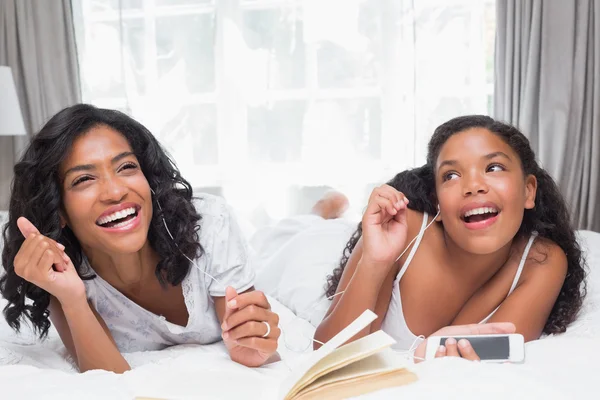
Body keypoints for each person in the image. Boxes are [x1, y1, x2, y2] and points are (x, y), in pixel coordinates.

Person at [0, 104, 280, 373]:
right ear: (58, 209)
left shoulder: (208, 223)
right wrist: (72, 298)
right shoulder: (61, 274)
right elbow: (109, 381)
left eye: (126, 167)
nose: (114, 192)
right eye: (84, 179)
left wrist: (257, 349)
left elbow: (255, 345)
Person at [314, 115, 587, 360]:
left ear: (528, 191)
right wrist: (374, 261)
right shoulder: (402, 228)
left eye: (493, 168)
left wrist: (434, 353)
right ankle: (325, 209)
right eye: (452, 175)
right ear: (437, 204)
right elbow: (326, 356)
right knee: (306, 232)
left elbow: (491, 360)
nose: (473, 186)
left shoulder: (542, 260)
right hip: (303, 247)